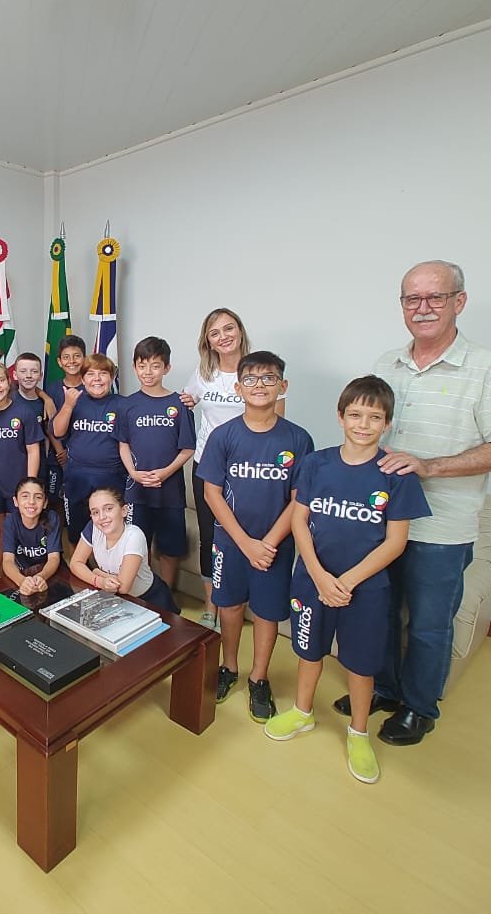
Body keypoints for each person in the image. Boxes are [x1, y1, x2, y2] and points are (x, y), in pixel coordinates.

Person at [333, 260, 491, 746]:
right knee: (380, 612)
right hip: (380, 523)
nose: (422, 308)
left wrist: (431, 466)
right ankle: (384, 688)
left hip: (441, 529)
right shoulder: (386, 364)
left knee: (427, 625)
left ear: (458, 301)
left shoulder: (489, 369)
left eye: (434, 297)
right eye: (412, 298)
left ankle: (419, 708)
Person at [264, 376, 431, 784]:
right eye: (355, 415)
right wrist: (320, 576)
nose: (363, 424)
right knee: (309, 652)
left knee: (360, 663)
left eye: (374, 417)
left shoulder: (395, 475)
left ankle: (358, 733)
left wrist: (346, 582)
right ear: (340, 417)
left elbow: (395, 542)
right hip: (311, 581)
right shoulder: (316, 464)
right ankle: (302, 712)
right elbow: (299, 521)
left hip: (365, 590)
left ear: (387, 424)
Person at [196, 351, 314, 721]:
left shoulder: (298, 439)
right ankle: (229, 667)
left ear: (283, 385)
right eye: (250, 379)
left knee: (265, 613)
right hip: (231, 543)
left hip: (274, 548)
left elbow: (299, 500)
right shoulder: (223, 436)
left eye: (268, 378)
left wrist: (267, 544)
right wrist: (245, 544)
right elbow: (211, 493)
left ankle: (259, 678)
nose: (259, 385)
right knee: (230, 607)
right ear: (238, 388)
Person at [182, 308, 285, 627]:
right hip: (208, 467)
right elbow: (185, 402)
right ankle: (212, 606)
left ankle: (242, 604)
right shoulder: (204, 373)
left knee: (246, 534)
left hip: (250, 472)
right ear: (208, 342)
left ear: (240, 331)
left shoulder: (260, 371)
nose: (223, 336)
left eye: (229, 328)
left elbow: (277, 426)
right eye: (214, 333)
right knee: (210, 537)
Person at [114, 337, 196, 590]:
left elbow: (188, 448)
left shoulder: (179, 404)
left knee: (170, 549)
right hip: (137, 491)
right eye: (142, 365)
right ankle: (145, 593)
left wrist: (165, 472)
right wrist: (133, 473)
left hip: (170, 492)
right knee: (138, 545)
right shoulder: (128, 405)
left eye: (155, 365)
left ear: (166, 368)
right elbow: (123, 444)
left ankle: (166, 595)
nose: (148, 372)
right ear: (134, 367)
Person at [0, 360, 43, 579]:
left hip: (18, 485)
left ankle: (17, 578)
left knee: (17, 532)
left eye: (0, 380)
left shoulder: (24, 412)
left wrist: (30, 486)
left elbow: (33, 450)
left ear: (9, 381)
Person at [51, 352, 125, 540]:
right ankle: (79, 560)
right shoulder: (74, 402)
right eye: (91, 374)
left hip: (112, 476)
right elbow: (57, 431)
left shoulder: (123, 405)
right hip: (77, 476)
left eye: (103, 373)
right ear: (83, 379)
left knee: (111, 531)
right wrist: (68, 406)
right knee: (76, 532)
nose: (97, 379)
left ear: (112, 377)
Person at [69, 486, 178, 612]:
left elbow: (123, 587)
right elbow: (75, 563)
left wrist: (97, 572)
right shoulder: (93, 527)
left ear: (124, 511)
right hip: (116, 598)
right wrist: (99, 580)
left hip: (150, 599)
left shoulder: (134, 536)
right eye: (95, 512)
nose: (102, 517)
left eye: (108, 509)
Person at [42, 335, 87, 530]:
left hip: (82, 457)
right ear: (59, 362)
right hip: (57, 457)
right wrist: (60, 450)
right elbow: (49, 424)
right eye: (66, 357)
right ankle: (58, 545)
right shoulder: (52, 388)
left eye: (77, 356)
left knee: (82, 503)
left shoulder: (92, 386)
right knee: (56, 502)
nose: (72, 361)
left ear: (84, 358)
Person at [0, 477, 63, 596]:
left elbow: (54, 558)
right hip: (22, 574)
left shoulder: (52, 518)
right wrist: (21, 581)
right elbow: (7, 561)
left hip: (50, 573)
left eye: (38, 497)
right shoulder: (10, 521)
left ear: (45, 503)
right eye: (25, 496)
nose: (31, 502)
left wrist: (41, 577)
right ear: (15, 501)